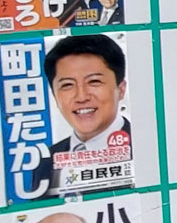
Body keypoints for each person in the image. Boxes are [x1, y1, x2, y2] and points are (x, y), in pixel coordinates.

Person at [34, 34, 131, 198]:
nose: (81, 97)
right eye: (67, 85)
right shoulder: (44, 161)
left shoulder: (147, 149)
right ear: (54, 95)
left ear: (120, 89)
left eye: (94, 82)